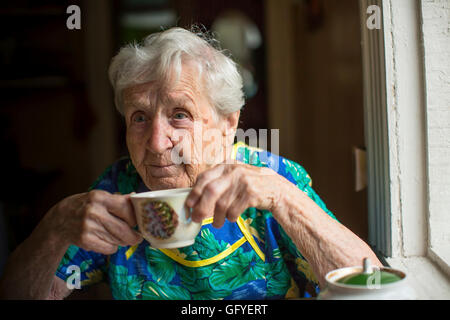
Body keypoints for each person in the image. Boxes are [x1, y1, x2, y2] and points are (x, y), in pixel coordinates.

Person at [0, 27, 382, 300]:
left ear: (227, 124)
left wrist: (285, 199)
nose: (155, 141)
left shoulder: (273, 179)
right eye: (139, 117)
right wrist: (55, 227)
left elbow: (374, 285)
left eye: (179, 114)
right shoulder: (119, 187)